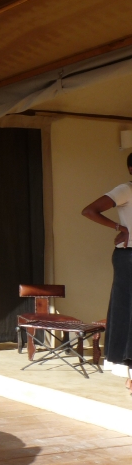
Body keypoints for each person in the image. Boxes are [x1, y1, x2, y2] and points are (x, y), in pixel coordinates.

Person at [82, 153, 132, 395]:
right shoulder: (126, 190)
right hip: (129, 257)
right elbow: (89, 211)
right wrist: (119, 227)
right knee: (127, 312)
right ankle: (130, 374)